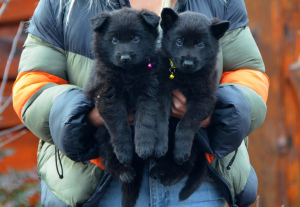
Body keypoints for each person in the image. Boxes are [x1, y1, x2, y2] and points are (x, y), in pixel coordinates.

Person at [12, 0, 269, 206]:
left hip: (198, 178)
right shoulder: (62, 4)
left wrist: (216, 113)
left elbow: (248, 74)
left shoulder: (220, 2)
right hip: (95, 178)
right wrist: (84, 115)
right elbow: (32, 86)